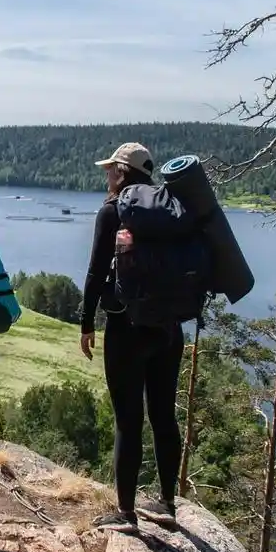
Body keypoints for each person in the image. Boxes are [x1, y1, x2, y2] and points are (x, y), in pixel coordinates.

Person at [79, 142, 184, 531]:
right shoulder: (171, 212)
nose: (106, 175)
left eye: (111, 170)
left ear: (122, 172)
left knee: (128, 420)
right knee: (163, 416)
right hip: (169, 330)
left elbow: (94, 274)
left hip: (126, 330)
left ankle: (125, 513)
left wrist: (86, 321)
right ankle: (167, 504)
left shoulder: (112, 211)